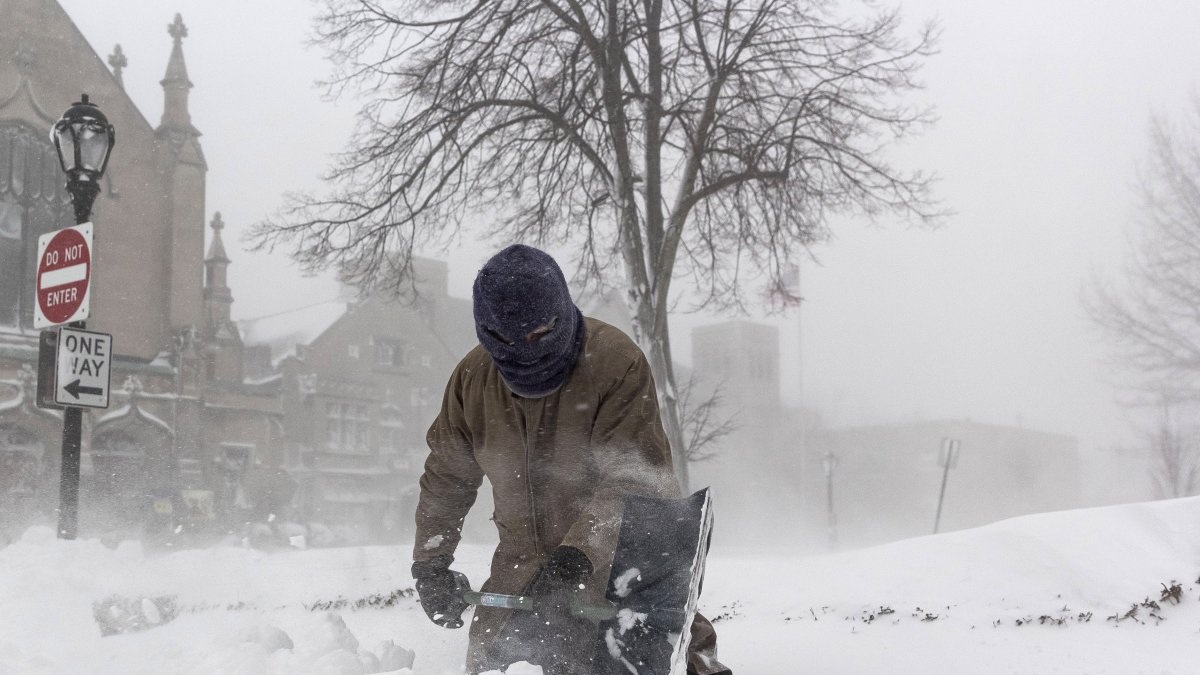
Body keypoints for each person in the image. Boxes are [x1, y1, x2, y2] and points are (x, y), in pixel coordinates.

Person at [411, 244, 730, 675]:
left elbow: (637, 479)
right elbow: (447, 476)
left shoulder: (615, 363)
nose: (525, 351)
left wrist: (577, 558)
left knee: (644, 660)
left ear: (560, 313)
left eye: (539, 334)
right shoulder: (472, 379)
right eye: (507, 339)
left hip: (615, 570)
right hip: (519, 573)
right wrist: (430, 564)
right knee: (493, 668)